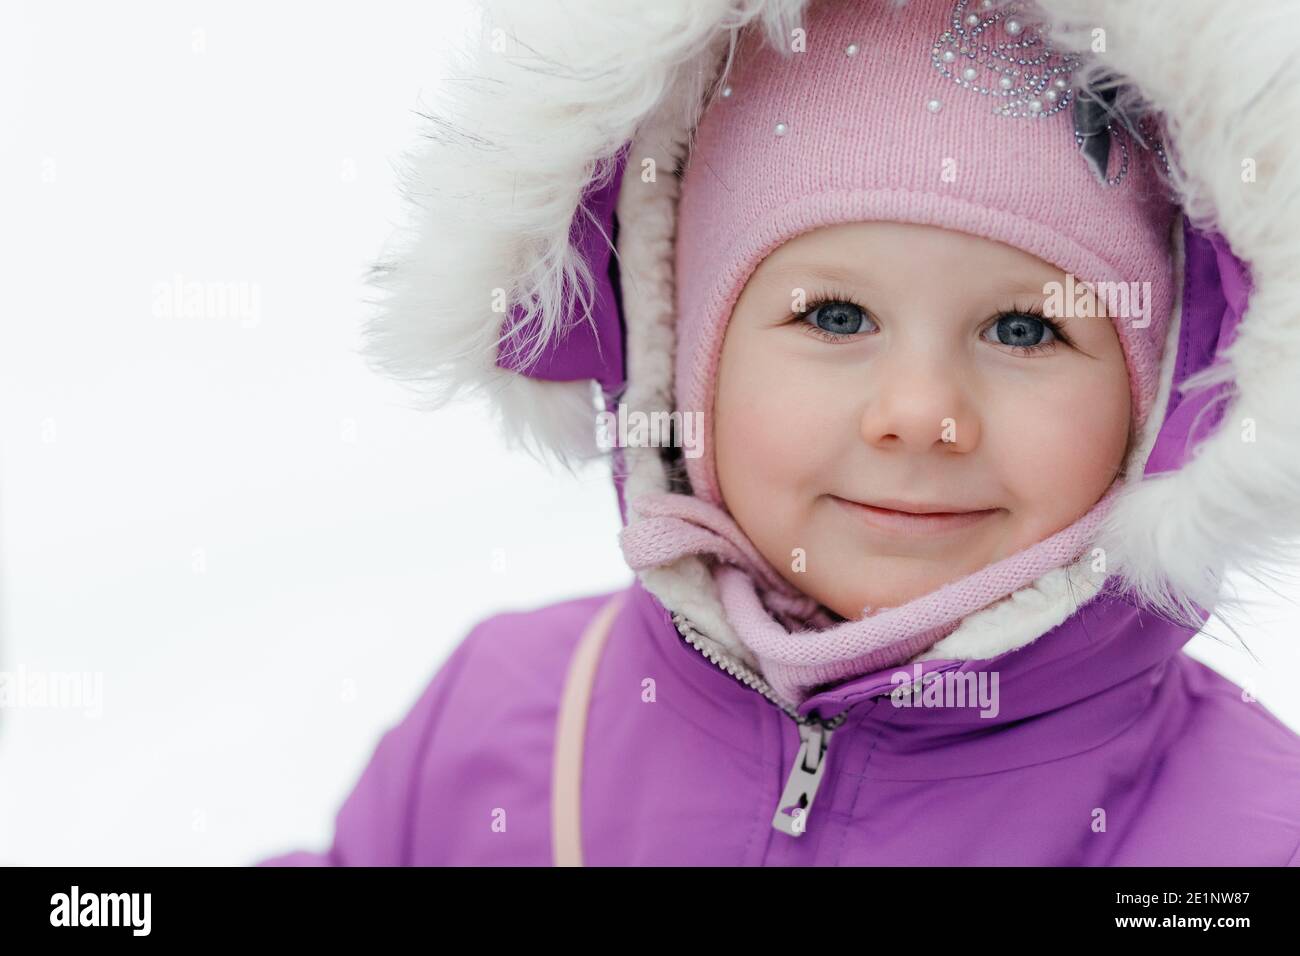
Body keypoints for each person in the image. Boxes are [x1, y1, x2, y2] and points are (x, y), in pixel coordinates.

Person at [258, 0, 1300, 865]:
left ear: (1165, 394)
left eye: (1024, 327)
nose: (919, 414)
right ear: (681, 353)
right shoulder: (506, 722)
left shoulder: (1236, 841)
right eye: (834, 316)